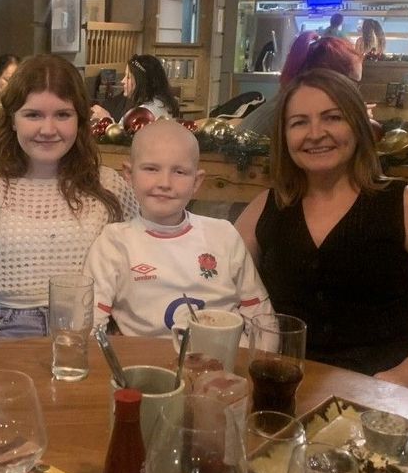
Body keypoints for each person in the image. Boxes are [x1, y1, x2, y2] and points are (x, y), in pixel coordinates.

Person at [234, 69, 408, 404]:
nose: (316, 133)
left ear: (358, 126)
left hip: (394, 392)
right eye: (299, 122)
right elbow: (216, 281)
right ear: (284, 137)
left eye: (332, 118)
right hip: (290, 389)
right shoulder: (264, 208)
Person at [0, 54, 139, 339]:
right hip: (6, 327)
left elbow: (144, 254)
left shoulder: (110, 185)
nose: (48, 130)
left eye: (62, 114)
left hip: (89, 326)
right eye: (33, 115)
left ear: (80, 120)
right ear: (12, 120)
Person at [84, 120, 272, 336]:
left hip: (224, 362)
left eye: (179, 172)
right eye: (151, 169)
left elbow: (261, 315)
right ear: (129, 174)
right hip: (148, 366)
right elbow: (89, 323)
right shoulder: (113, 243)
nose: (165, 182)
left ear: (197, 181)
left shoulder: (224, 235)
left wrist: (252, 366)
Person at [238, 33, 362, 137]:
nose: (357, 92)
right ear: (328, 79)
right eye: (354, 83)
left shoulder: (286, 106)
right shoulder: (288, 117)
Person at [91, 54, 180, 122]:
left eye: (128, 77)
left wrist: (106, 119)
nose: (123, 81)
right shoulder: (160, 103)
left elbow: (128, 140)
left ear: (142, 81)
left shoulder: (145, 113)